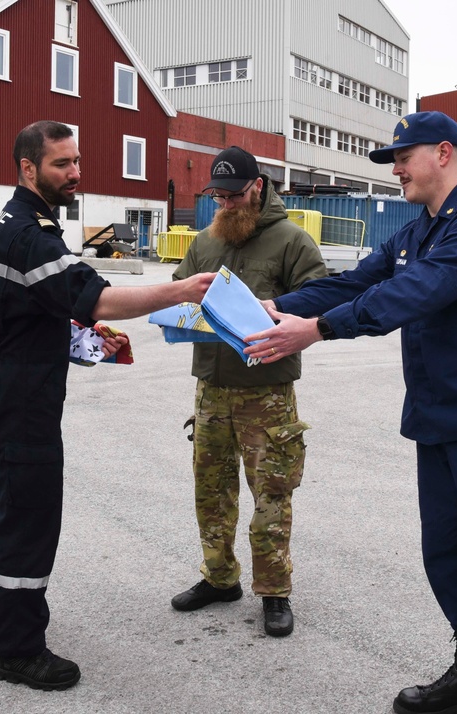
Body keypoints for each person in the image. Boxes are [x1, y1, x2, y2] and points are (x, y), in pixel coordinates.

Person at [243, 112, 457, 714]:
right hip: (439, 422)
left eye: (403, 156)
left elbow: (412, 294)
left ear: (443, 153)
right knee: (449, 557)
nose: (395, 169)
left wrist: (315, 330)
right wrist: (276, 305)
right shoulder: (416, 231)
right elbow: (356, 283)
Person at [0, 120, 214, 691]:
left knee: (12, 500)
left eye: (76, 161)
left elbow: (37, 306)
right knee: (30, 513)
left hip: (12, 380)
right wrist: (179, 290)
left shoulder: (31, 221)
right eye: (61, 165)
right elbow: (95, 295)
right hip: (20, 394)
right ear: (28, 169)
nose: (75, 172)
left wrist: (82, 337)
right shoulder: (30, 234)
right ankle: (18, 650)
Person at [169, 146, 327, 637]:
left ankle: (274, 592)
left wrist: (269, 309)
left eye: (233, 195)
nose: (225, 205)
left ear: (257, 187)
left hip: (267, 393)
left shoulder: (292, 241)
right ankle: (219, 578)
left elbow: (319, 296)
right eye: (217, 196)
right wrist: (178, 310)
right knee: (211, 491)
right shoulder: (204, 241)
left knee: (271, 494)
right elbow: (178, 291)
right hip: (212, 389)